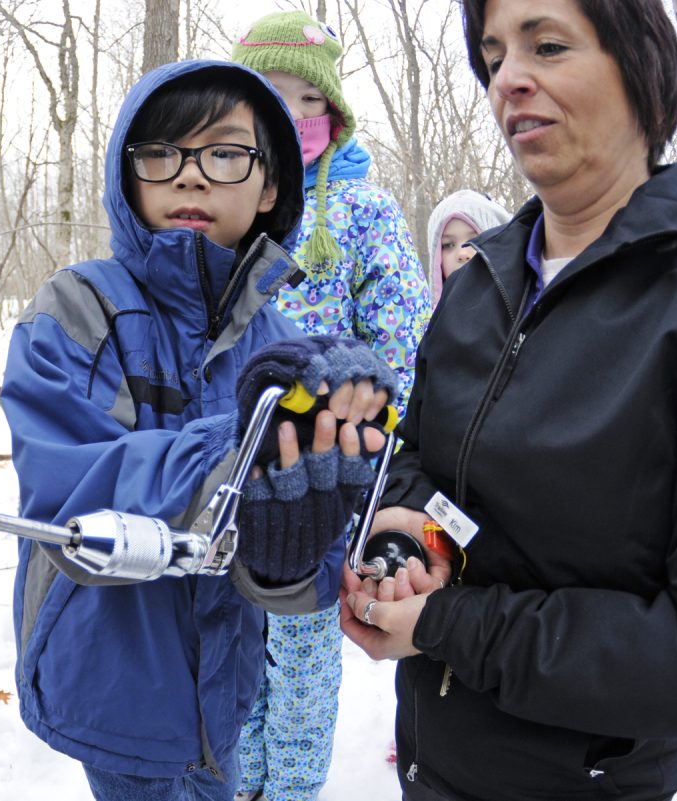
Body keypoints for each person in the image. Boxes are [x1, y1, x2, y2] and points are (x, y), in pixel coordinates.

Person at [338, 1, 677, 800]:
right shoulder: (480, 283)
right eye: (493, 57)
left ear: (639, 67)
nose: (509, 81)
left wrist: (445, 626)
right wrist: (405, 531)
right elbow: (419, 456)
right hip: (434, 765)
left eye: (549, 45)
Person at [1, 59, 397, 801]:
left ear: (271, 183)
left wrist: (293, 549)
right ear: (129, 176)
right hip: (116, 690)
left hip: (226, 690)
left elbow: (301, 570)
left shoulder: (278, 340)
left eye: (222, 153)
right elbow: (70, 494)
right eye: (161, 154)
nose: (189, 176)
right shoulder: (79, 310)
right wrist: (243, 454)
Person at [230, 11, 431, 801]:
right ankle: (238, 780)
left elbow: (402, 330)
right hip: (232, 471)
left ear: (331, 113)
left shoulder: (361, 208)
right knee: (235, 639)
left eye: (303, 99)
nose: (288, 115)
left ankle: (290, 790)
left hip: (322, 476)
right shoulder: (229, 202)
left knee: (304, 648)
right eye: (268, 97)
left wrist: (356, 426)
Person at [425, 189, 510, 302]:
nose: (462, 253)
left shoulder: (526, 313)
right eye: (449, 245)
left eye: (475, 241)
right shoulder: (428, 318)